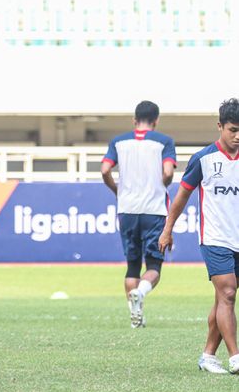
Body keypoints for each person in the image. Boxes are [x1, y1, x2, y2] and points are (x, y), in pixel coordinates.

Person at [160, 98, 239, 374]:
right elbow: (181, 196)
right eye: (233, 129)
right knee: (228, 291)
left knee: (223, 299)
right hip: (215, 237)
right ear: (220, 127)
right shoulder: (204, 159)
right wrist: (168, 229)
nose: (238, 135)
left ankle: (207, 356)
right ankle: (235, 357)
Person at [101, 100, 176, 328]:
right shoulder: (164, 141)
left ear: (135, 120)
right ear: (156, 121)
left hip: (127, 209)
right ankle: (141, 293)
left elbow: (105, 169)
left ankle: (136, 319)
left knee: (132, 265)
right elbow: (168, 171)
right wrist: (160, 186)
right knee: (154, 266)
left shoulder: (119, 141)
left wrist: (117, 190)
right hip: (153, 210)